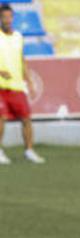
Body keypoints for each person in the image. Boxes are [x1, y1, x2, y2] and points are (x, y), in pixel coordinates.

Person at [0, 3, 44, 164]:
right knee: (1, 118)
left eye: (9, 17)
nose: (7, 20)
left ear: (12, 18)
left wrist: (29, 80)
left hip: (17, 85)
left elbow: (22, 59)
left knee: (26, 118)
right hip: (1, 86)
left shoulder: (18, 36)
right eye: (3, 17)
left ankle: (29, 150)